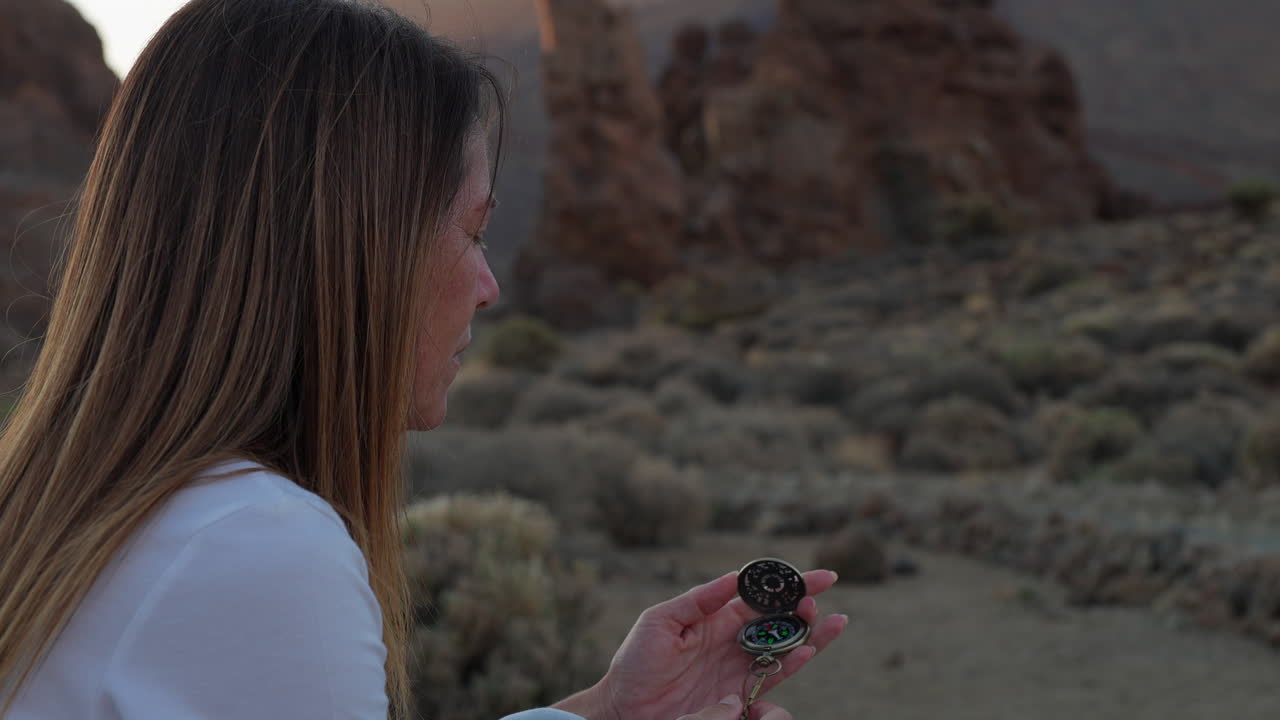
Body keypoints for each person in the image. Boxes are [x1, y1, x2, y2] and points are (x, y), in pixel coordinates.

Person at [0, 1, 847, 718]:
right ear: (351, 244)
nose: (489, 286)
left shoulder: (86, 505)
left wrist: (603, 713)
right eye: (471, 230)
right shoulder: (254, 548)